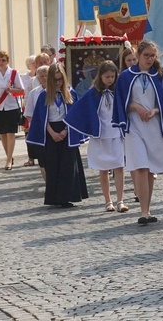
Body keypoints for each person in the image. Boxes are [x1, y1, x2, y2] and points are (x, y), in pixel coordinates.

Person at [113, 40, 163, 225]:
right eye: (146, 55)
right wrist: (135, 107)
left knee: (149, 170)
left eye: (152, 56)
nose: (149, 59)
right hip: (135, 126)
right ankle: (143, 211)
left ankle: (147, 209)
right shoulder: (126, 76)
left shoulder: (159, 76)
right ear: (138, 55)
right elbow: (122, 100)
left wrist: (155, 111)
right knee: (140, 166)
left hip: (154, 126)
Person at [65, 61, 127, 213]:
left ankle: (121, 200)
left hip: (116, 134)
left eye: (113, 76)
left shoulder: (118, 91)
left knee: (119, 166)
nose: (110, 79)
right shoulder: (93, 93)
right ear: (101, 77)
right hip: (100, 135)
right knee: (103, 168)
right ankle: (108, 201)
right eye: (107, 77)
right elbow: (80, 109)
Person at [26, 64, 88, 207]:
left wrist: (65, 131)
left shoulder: (70, 93)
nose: (58, 83)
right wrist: (53, 133)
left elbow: (74, 114)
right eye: (55, 80)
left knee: (68, 165)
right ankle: (55, 198)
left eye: (60, 79)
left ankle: (67, 197)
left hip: (67, 130)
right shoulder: (44, 95)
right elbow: (41, 117)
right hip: (50, 131)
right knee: (53, 165)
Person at [0, 51, 24, 170]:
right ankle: (9, 157)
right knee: (2, 134)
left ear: (7, 61)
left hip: (12, 107)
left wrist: (11, 90)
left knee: (10, 133)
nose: (1, 62)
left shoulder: (13, 73)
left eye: (3, 60)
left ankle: (8, 160)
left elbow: (21, 90)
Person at [23, 65, 49, 173]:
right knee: (42, 162)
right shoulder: (34, 93)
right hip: (39, 130)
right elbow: (29, 113)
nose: (44, 78)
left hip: (54, 129)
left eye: (46, 75)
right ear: (37, 78)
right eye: (41, 76)